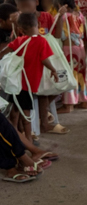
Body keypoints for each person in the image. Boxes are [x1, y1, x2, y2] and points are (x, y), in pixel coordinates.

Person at [0, 13, 59, 144]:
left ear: (21, 29)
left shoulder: (19, 41)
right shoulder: (41, 41)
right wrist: (53, 70)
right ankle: (28, 139)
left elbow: (3, 53)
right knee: (26, 115)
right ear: (38, 25)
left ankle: (14, 136)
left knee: (15, 112)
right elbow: (44, 60)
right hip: (28, 84)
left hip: (14, 83)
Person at [52, 0, 87, 113]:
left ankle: (69, 105)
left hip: (69, 50)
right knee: (81, 76)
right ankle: (84, 101)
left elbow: (57, 36)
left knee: (69, 75)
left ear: (58, 4)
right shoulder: (80, 15)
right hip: (81, 48)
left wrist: (58, 17)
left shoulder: (62, 16)